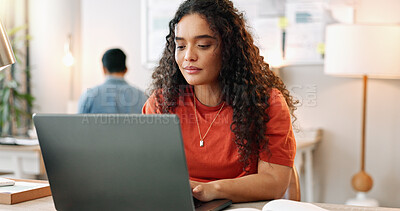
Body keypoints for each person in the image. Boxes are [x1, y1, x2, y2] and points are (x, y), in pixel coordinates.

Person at [142, 0, 297, 203]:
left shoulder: (267, 103)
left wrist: (211, 189)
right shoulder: (162, 103)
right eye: (180, 46)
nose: (188, 56)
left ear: (229, 49)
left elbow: (274, 182)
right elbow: (149, 174)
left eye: (203, 45)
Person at [78, 48, 147, 114]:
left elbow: (78, 124)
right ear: (126, 69)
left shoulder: (89, 96)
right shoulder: (143, 97)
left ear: (104, 69)